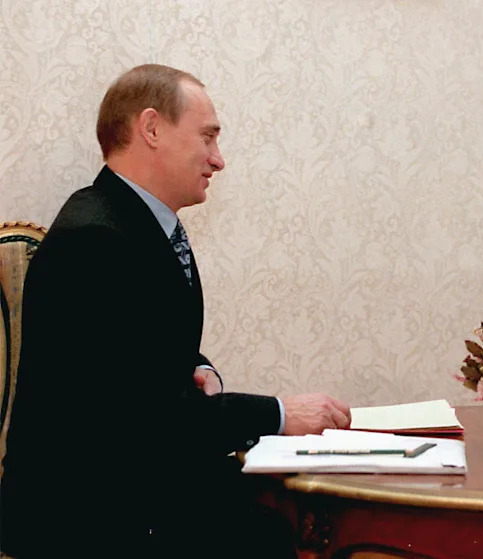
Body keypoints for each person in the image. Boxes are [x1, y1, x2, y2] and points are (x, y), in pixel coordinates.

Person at [0, 64, 352, 558]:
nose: (218, 159)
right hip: (92, 524)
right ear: (151, 129)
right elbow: (142, 420)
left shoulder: (134, 221)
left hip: (139, 493)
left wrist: (196, 365)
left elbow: (139, 346)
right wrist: (278, 413)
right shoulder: (94, 240)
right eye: (208, 137)